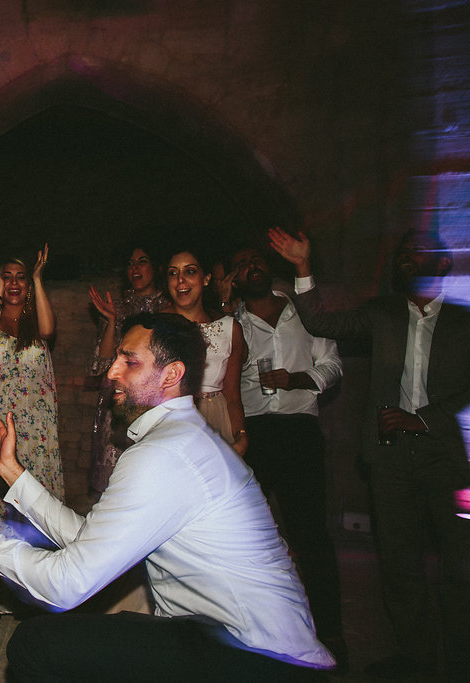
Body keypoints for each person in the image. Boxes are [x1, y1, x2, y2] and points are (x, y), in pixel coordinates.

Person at [0, 312, 334, 680]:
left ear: (172, 375)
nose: (113, 372)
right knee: (117, 631)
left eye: (129, 362)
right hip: (228, 639)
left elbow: (64, 586)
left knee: (36, 643)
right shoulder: (179, 438)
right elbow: (91, 538)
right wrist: (13, 474)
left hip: (262, 660)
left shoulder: (166, 453)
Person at [270, 227, 470, 681]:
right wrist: (302, 268)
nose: (406, 257)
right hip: (391, 457)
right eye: (402, 252)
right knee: (400, 566)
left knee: (460, 569)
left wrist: (427, 418)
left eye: (418, 251)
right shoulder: (382, 312)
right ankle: (415, 657)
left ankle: (460, 661)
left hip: (448, 459)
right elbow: (323, 323)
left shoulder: (463, 322)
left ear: (442, 263)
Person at [226, 245, 348, 668]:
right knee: (248, 536)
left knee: (310, 534)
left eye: (255, 259)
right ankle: (251, 632)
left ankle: (330, 633)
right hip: (253, 434)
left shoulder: (304, 312)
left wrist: (297, 378)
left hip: (298, 431)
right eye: (241, 264)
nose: (250, 266)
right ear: (234, 278)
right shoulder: (233, 324)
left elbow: (333, 366)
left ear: (269, 266)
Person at [0, 247, 62, 618]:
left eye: (21, 277)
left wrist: (38, 278)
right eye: (9, 276)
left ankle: (36, 593)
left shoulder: (39, 321)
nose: (15, 283)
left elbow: (50, 330)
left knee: (32, 508)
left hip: (34, 432)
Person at [86, 242, 169, 497]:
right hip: (118, 405)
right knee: (116, 486)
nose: (135, 268)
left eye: (142, 262)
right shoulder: (117, 308)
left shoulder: (169, 308)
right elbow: (98, 365)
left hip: (156, 402)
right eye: (131, 264)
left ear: (156, 268)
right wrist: (111, 322)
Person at [164, 247, 248, 455]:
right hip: (171, 421)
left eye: (190, 271)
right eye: (173, 273)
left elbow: (233, 395)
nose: (180, 280)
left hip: (216, 420)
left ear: (206, 278)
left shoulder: (230, 329)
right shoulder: (154, 327)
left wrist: (241, 434)